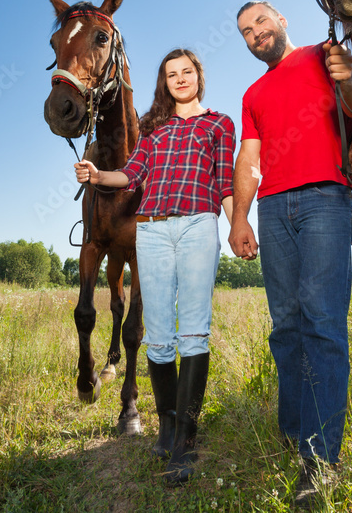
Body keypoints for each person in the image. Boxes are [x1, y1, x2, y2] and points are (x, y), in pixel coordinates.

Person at [227, 1, 352, 506]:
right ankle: (293, 431)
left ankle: (321, 458)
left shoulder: (324, 55)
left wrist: (347, 75)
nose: (255, 34)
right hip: (271, 208)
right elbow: (249, 157)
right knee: (285, 325)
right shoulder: (253, 93)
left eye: (261, 22)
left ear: (282, 20)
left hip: (325, 200)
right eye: (246, 32)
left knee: (323, 323)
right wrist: (238, 217)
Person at [75, 48, 236, 486]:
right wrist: (95, 175)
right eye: (171, 74)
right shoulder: (152, 128)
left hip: (199, 225)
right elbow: (131, 174)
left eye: (186, 72)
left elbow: (224, 181)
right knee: (160, 335)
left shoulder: (219, 124)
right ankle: (166, 425)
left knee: (194, 330)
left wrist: (239, 222)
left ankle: (186, 436)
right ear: (164, 82)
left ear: (198, 77)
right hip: (152, 230)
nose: (179, 79)